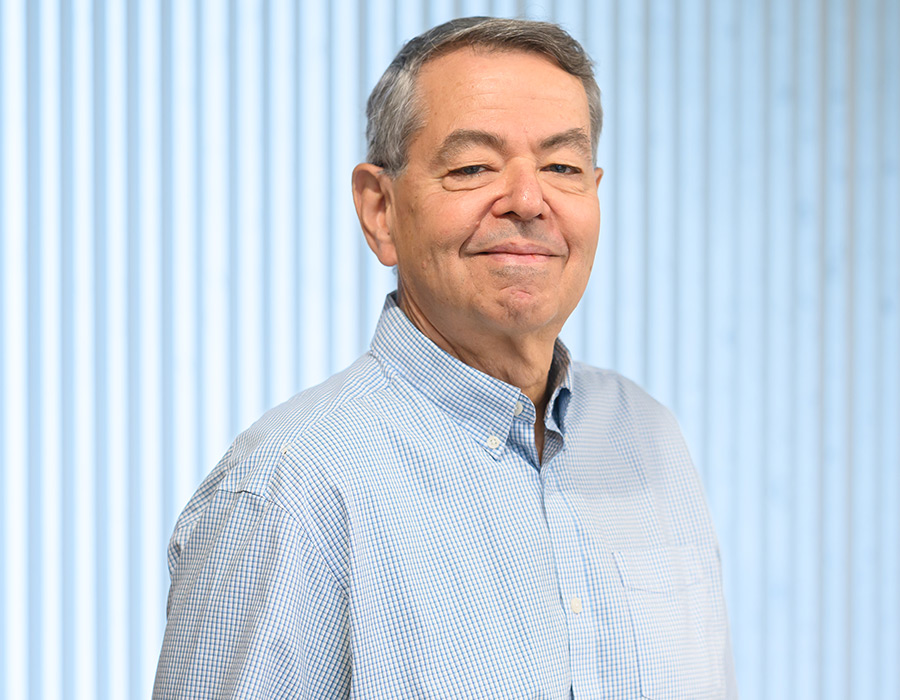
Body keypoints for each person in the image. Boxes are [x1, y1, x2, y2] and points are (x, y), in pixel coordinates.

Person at [154, 16, 737, 699]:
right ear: (380, 210)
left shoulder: (649, 440)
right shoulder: (290, 491)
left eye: (562, 167)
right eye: (472, 167)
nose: (528, 201)